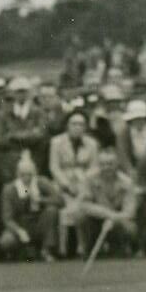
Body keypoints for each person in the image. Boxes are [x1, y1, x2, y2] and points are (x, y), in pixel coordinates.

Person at [48, 110, 100, 256]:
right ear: (67, 126)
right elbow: (54, 167)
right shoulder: (56, 142)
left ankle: (82, 245)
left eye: (81, 124)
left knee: (84, 200)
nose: (77, 127)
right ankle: (62, 248)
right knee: (63, 202)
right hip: (63, 182)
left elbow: (95, 167)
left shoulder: (92, 143)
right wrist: (66, 184)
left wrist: (83, 181)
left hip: (84, 181)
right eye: (74, 124)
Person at [75, 147, 139, 259]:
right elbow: (84, 205)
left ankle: (120, 249)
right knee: (81, 217)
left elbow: (130, 211)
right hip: (96, 219)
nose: (106, 167)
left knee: (130, 228)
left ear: (117, 164)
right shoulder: (89, 178)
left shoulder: (127, 182)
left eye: (110, 164)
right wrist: (108, 214)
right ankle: (90, 250)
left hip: (118, 222)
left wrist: (114, 219)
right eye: (102, 164)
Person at [0, 152, 60, 262]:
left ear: (34, 173)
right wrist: (19, 230)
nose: (26, 177)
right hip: (20, 223)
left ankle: (46, 250)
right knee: (6, 241)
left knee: (52, 211)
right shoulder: (9, 189)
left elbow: (60, 201)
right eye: (23, 174)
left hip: (39, 222)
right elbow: (7, 218)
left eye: (29, 174)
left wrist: (41, 200)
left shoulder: (42, 182)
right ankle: (19, 253)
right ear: (17, 174)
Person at [0, 76, 51, 180]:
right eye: (18, 92)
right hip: (10, 161)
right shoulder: (4, 113)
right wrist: (29, 135)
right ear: (12, 93)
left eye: (24, 92)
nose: (21, 95)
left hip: (34, 158)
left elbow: (41, 135)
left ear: (29, 93)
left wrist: (12, 135)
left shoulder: (39, 112)